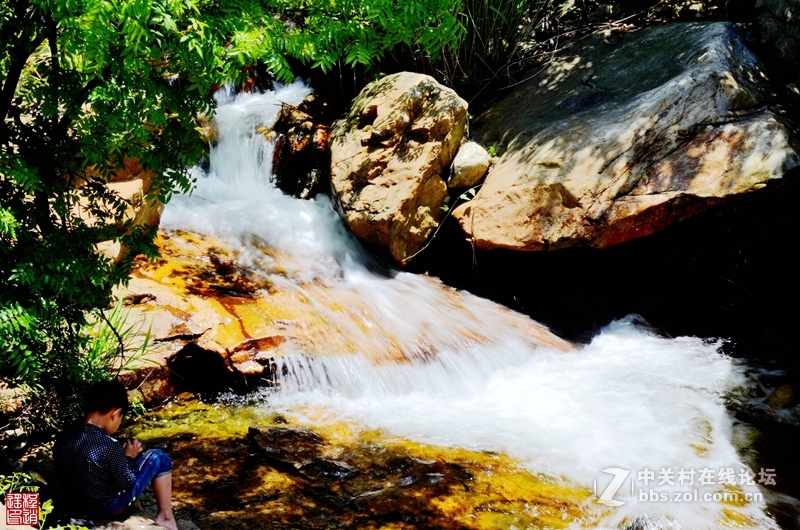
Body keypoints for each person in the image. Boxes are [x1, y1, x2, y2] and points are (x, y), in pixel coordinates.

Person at [53, 381, 178, 530]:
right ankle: (165, 516)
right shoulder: (109, 445)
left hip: (76, 504)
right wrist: (129, 457)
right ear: (115, 414)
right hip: (109, 508)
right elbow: (126, 481)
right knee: (159, 456)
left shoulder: (66, 436)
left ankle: (138, 506)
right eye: (121, 418)